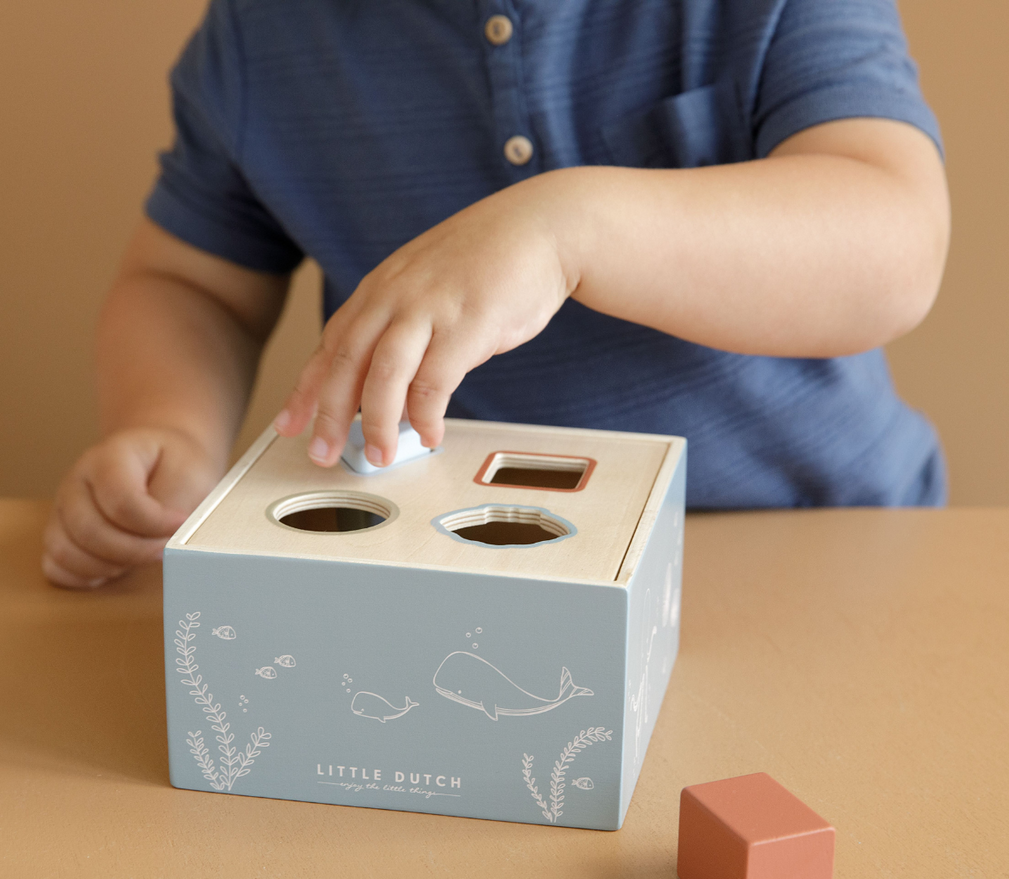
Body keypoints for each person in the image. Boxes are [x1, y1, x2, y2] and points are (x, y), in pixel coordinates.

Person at [42, 0, 950, 589]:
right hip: (469, 567)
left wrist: (571, 228)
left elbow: (896, 241)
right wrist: (170, 426)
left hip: (818, 549)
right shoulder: (261, 36)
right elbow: (191, 286)